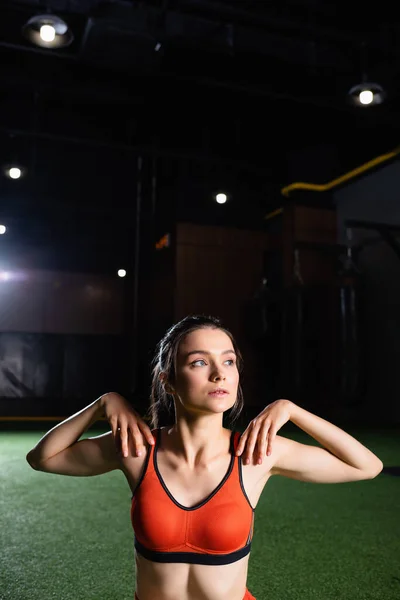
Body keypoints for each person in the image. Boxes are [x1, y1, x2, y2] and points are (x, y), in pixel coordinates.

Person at [26, 315, 383, 600]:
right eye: (199, 362)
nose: (219, 373)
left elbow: (366, 466)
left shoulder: (255, 454)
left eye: (228, 361)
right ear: (168, 382)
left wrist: (291, 410)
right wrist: (102, 404)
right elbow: (43, 458)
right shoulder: (138, 449)